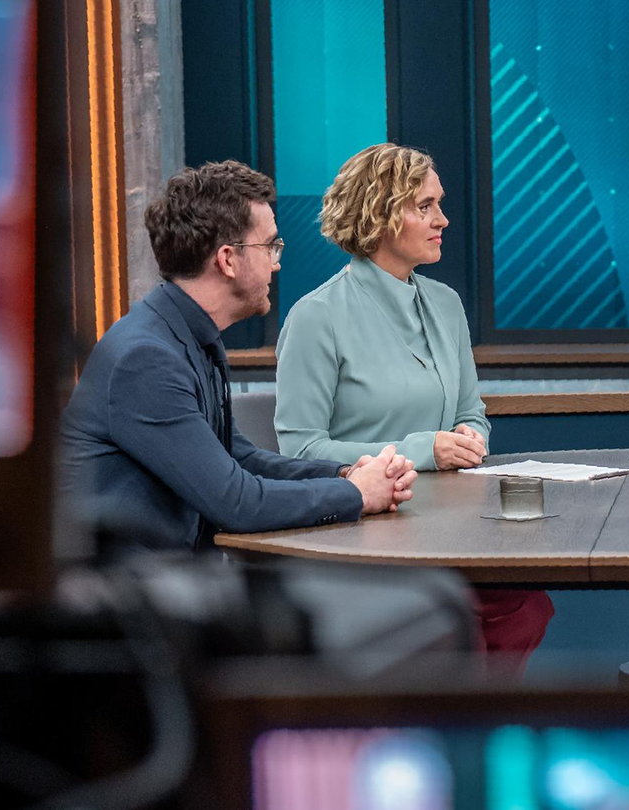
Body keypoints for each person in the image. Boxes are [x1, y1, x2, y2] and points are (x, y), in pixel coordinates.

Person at [274, 143, 553, 675]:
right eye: (423, 206)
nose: (442, 219)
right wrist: (425, 449)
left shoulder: (447, 305)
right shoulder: (317, 317)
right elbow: (300, 450)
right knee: (477, 614)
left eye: (439, 204)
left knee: (525, 600)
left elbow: (472, 411)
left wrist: (471, 436)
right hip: (367, 528)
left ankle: (476, 726)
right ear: (379, 215)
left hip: (456, 520)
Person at [60, 161, 417, 556]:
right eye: (270, 246)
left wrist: (345, 473)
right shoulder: (145, 360)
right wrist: (355, 494)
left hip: (177, 583)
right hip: (127, 600)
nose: (277, 263)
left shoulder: (184, 336)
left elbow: (238, 457)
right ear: (228, 259)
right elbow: (236, 502)